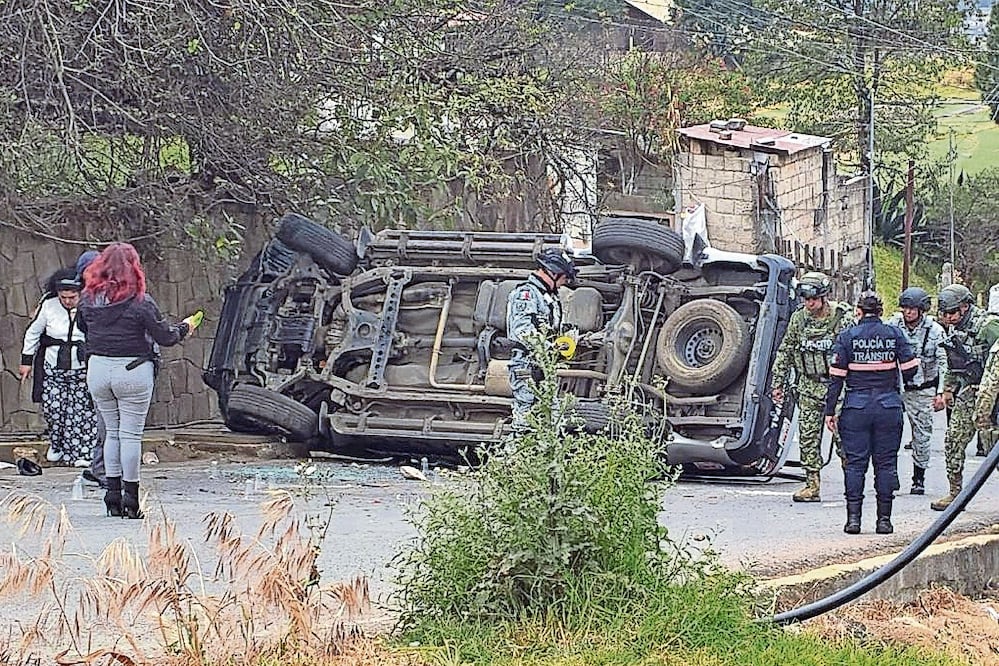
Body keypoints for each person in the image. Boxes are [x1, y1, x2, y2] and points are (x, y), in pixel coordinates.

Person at [78, 243, 202, 519]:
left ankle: (111, 497)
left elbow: (82, 328)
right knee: (130, 435)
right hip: (133, 370)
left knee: (111, 432)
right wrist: (186, 327)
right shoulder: (140, 301)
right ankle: (131, 501)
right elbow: (166, 336)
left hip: (97, 368)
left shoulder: (87, 299)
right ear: (134, 267)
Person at [824, 291, 918, 535]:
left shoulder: (847, 336)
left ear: (858, 311)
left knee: (855, 465)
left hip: (856, 407)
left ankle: (853, 521)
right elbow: (910, 370)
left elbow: (835, 379)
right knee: (886, 464)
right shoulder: (894, 333)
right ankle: (884, 521)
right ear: (881, 312)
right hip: (888, 406)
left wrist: (829, 411)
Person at [771, 271, 854, 502]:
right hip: (808, 386)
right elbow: (786, 350)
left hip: (837, 388)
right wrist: (778, 383)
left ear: (824, 297)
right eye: (805, 299)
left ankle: (852, 482)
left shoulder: (841, 318)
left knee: (844, 439)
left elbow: (853, 352)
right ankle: (812, 485)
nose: (809, 304)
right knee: (808, 437)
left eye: (813, 299)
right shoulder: (799, 319)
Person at [19, 268, 99, 466]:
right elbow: (33, 333)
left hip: (81, 368)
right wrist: (26, 362)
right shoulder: (48, 305)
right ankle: (57, 445)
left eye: (72, 297)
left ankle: (82, 453)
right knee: (54, 410)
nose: (68, 301)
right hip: (53, 367)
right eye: (64, 297)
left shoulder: (90, 306)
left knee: (81, 412)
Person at [931, 283, 999, 511]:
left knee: (993, 449)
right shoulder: (955, 328)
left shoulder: (988, 327)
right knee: (953, 440)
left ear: (965, 306)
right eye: (945, 314)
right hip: (970, 390)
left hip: (993, 396)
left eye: (952, 313)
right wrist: (949, 389)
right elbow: (953, 362)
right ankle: (955, 493)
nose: (948, 318)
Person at [506, 248, 578, 430]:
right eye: (563, 278)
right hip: (527, 366)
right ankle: (512, 456)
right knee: (526, 421)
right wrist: (550, 348)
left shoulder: (549, 297)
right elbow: (521, 330)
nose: (564, 283)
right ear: (552, 272)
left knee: (552, 420)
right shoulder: (527, 294)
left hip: (544, 366)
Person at [886, 287, 948, 495]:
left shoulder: (935, 331)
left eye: (912, 308)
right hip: (895, 387)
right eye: (905, 308)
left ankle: (918, 477)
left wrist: (941, 392)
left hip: (922, 389)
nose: (908, 312)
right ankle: (890, 474)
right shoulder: (893, 325)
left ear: (922, 309)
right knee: (889, 432)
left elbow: (943, 362)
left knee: (922, 435)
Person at [75, 249, 107, 487]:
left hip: (111, 363)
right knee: (105, 422)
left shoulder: (116, 295)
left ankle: (106, 471)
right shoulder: (88, 298)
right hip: (99, 362)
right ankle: (101, 469)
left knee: (110, 424)